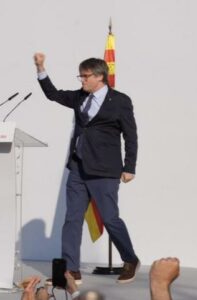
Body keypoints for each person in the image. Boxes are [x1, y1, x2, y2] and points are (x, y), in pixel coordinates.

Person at [34, 53, 139, 284]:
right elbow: (53, 94)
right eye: (80, 75)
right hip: (78, 168)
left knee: (111, 219)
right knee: (72, 219)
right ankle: (71, 270)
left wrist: (129, 166)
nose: (81, 80)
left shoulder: (120, 101)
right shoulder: (80, 97)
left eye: (85, 76)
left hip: (105, 170)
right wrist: (41, 68)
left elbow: (130, 136)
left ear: (99, 76)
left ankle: (130, 259)